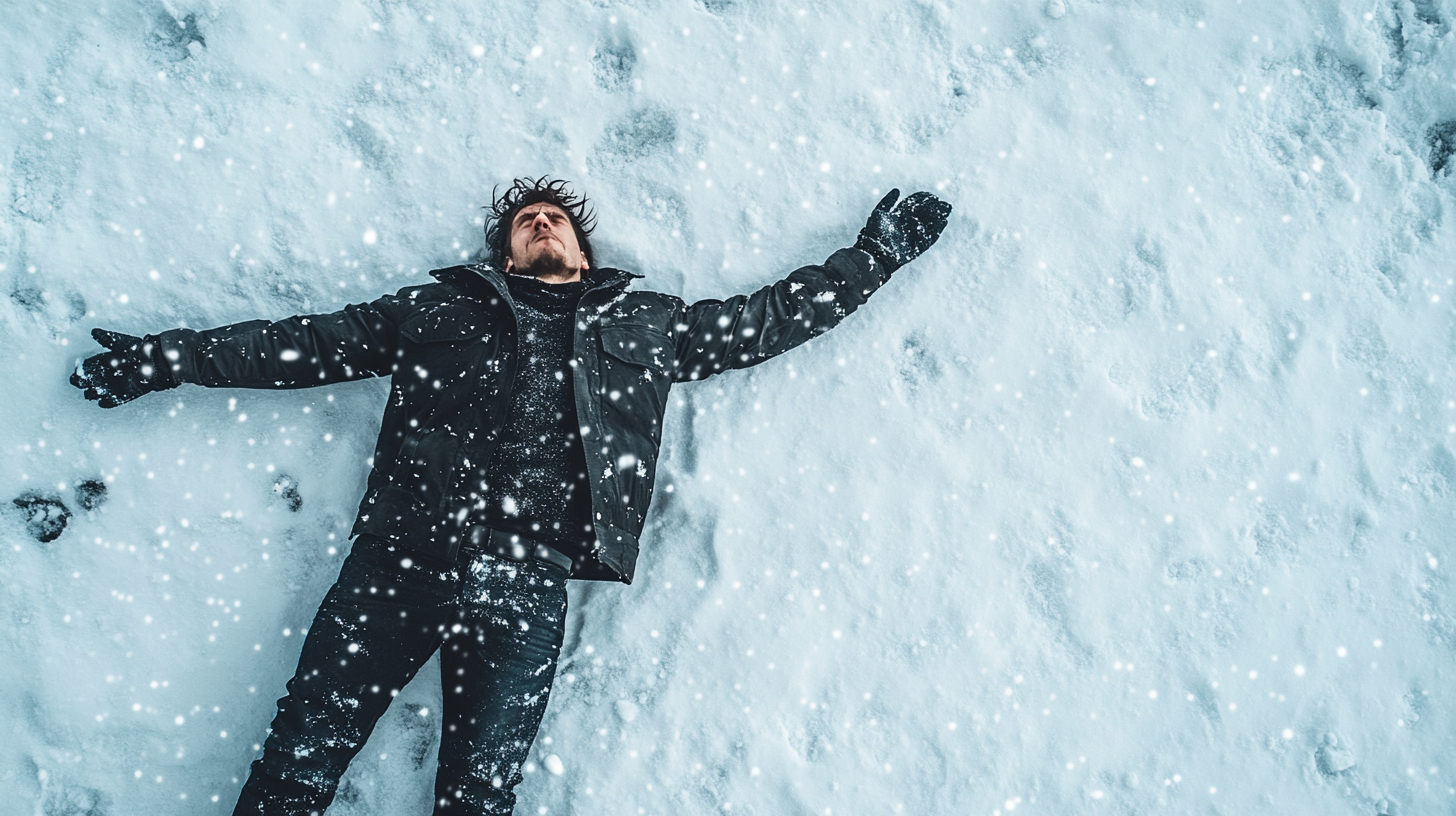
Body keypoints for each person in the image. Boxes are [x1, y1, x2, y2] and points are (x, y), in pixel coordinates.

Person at [70, 178, 951, 815]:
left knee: (479, 802)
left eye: (555, 219)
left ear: (580, 251)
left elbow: (765, 321)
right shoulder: (434, 311)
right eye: (527, 221)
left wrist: (872, 259)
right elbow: (299, 345)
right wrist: (167, 358)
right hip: (401, 566)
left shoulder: (648, 326)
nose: (542, 224)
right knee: (295, 773)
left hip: (526, 592)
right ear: (505, 253)